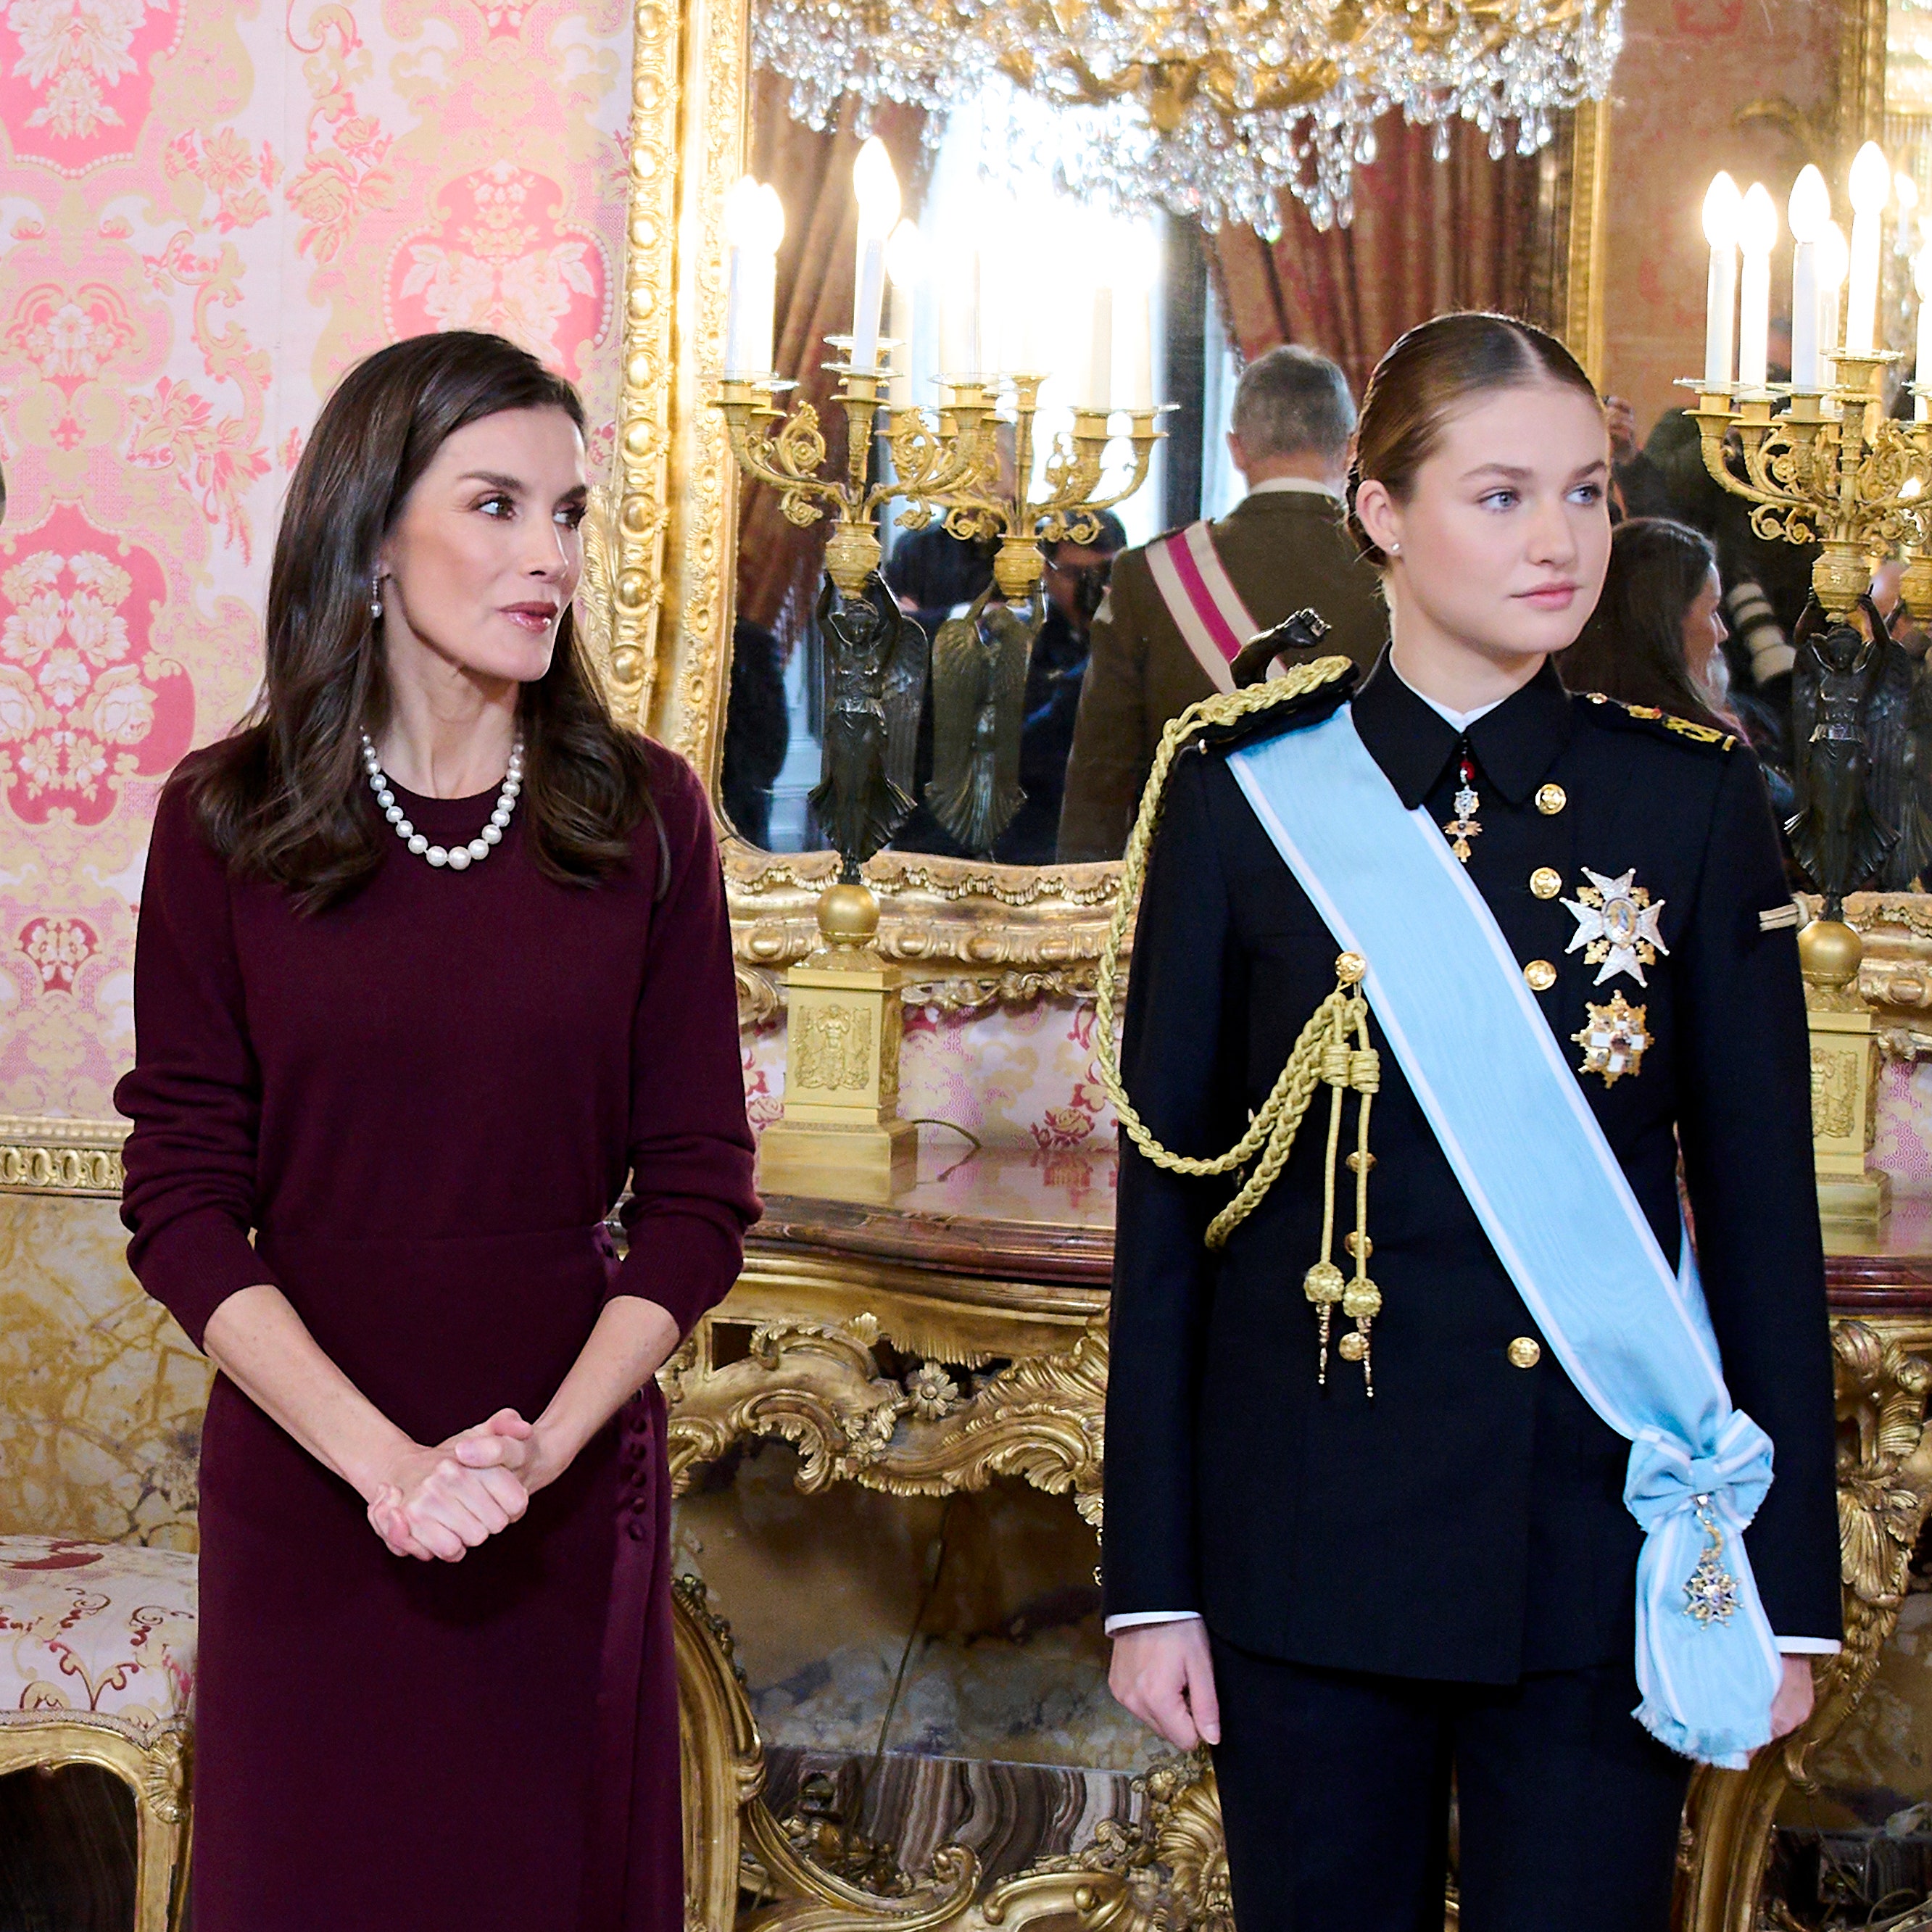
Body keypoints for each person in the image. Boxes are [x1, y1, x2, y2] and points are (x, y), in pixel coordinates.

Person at [1100, 312, 1839, 1932]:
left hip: (1591, 1544)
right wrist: (1152, 1585)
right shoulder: (1241, 795)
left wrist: (1788, 1598)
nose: (1563, 538)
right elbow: (1162, 1228)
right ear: (1379, 510)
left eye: (1587, 493)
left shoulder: (1691, 801)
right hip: (1304, 1537)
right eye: (1502, 496)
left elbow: (1765, 1220)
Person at [115, 331, 760, 1932]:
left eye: (569, 514)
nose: (549, 555)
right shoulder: (223, 820)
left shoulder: (646, 818)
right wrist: (387, 1470)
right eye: (497, 505)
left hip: (556, 1470)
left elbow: (695, 1198)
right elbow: (181, 1202)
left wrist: (538, 1448)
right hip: (308, 1485)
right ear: (371, 532)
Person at [1056, 344, 1388, 861]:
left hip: (1190, 894)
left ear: (1235, 448)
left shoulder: (1149, 576)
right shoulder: (1397, 571)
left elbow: (1100, 782)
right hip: (1363, 882)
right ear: (1351, 450)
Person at [1559, 516, 1736, 731]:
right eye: (1712, 610)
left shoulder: (1553, 720)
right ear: (1665, 624)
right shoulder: (1704, 752)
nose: (1722, 633)